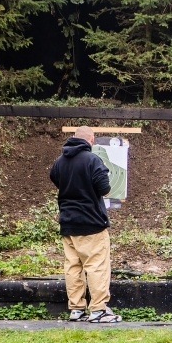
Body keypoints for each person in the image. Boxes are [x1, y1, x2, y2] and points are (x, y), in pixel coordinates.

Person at [50, 126, 122, 323]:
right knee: (96, 265)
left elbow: (55, 179)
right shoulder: (93, 160)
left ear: (74, 138)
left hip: (68, 222)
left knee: (73, 267)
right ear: (91, 140)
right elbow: (105, 189)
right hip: (91, 223)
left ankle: (76, 309)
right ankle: (98, 310)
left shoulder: (59, 161)